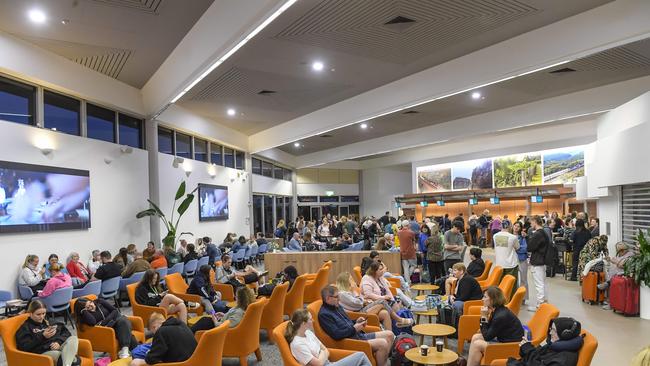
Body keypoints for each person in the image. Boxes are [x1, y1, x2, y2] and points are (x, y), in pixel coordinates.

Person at [318, 285, 395, 366]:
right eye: (336, 297)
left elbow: (347, 322)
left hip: (358, 335)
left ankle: (382, 359)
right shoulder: (324, 314)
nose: (339, 299)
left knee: (390, 334)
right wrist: (354, 329)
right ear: (328, 299)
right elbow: (337, 334)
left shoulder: (336, 306)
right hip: (352, 341)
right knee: (383, 343)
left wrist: (356, 321)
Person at [285, 309, 372, 366]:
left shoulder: (308, 333)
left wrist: (322, 353)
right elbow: (318, 363)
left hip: (328, 363)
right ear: (303, 324)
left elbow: (325, 349)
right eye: (310, 319)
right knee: (361, 356)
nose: (313, 321)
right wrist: (323, 353)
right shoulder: (297, 344)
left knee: (361, 361)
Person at [466, 287, 524, 366]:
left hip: (511, 347)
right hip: (504, 340)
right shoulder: (497, 310)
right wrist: (485, 319)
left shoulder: (500, 316)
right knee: (476, 337)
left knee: (477, 345)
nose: (482, 299)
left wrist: (484, 317)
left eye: (485, 297)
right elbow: (487, 331)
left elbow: (487, 337)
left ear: (492, 300)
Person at [16, 299, 81, 366]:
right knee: (74, 360)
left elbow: (66, 333)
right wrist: (42, 336)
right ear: (30, 313)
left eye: (43, 313)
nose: (41, 317)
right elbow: (24, 347)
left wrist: (58, 342)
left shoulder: (49, 321)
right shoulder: (26, 327)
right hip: (43, 352)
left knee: (73, 338)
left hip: (58, 346)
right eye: (38, 314)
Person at [74, 296, 139, 359]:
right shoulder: (85, 315)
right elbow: (93, 322)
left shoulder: (100, 302)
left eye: (91, 302)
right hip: (106, 331)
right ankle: (137, 350)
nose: (92, 305)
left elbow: (115, 310)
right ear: (83, 310)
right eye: (88, 307)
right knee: (125, 326)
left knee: (123, 322)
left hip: (116, 324)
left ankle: (125, 350)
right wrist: (84, 311)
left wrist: (104, 321)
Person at [504, 317, 584, 366]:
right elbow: (537, 356)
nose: (550, 333)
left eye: (554, 330)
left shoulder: (564, 360)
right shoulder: (555, 345)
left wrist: (527, 349)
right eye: (550, 329)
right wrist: (526, 347)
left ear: (565, 335)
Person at [130, 312, 197, 365]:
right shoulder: (182, 324)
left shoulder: (161, 331)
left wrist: (139, 361)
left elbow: (151, 359)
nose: (154, 335)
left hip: (180, 363)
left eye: (153, 333)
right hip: (195, 361)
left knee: (135, 361)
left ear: (154, 327)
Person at [190, 286, 254, 333]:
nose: (235, 297)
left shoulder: (239, 313)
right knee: (203, 321)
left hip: (220, 331)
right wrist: (224, 315)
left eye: (236, 296)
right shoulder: (243, 308)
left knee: (202, 323)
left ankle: (188, 336)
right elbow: (232, 320)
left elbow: (223, 327)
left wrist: (215, 321)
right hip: (221, 322)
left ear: (241, 299)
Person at [600, 241, 637, 310]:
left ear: (623, 250)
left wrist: (614, 261)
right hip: (614, 275)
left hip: (622, 274)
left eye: (620, 251)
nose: (619, 253)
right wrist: (610, 260)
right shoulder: (620, 255)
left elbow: (623, 266)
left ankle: (611, 302)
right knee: (610, 282)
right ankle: (609, 299)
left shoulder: (630, 255)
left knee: (612, 284)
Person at [527, 216, 549, 312]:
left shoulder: (537, 234)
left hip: (537, 261)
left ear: (535, 222)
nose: (531, 225)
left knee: (539, 284)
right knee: (542, 283)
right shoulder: (544, 232)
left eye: (531, 222)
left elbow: (530, 247)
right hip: (542, 260)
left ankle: (540, 306)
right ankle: (543, 303)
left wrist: (529, 238)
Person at [493, 226, 520, 297]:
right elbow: (518, 247)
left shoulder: (495, 236)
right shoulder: (513, 237)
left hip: (499, 264)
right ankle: (511, 300)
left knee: (500, 284)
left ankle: (500, 301)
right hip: (511, 264)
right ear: (510, 227)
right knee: (511, 285)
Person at [514, 222, 529, 305]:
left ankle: (523, 298)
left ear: (520, 228)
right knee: (514, 280)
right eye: (515, 225)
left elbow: (524, 249)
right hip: (512, 261)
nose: (516, 227)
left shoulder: (522, 237)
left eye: (518, 226)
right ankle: (515, 297)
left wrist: (516, 249)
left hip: (522, 260)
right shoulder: (509, 236)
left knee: (523, 280)